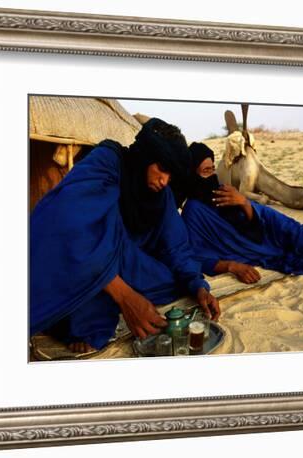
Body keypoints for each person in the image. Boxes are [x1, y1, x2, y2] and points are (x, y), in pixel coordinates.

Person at [30, 120, 220, 353]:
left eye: (171, 175)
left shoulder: (161, 195)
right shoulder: (107, 162)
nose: (164, 180)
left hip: (126, 262)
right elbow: (65, 224)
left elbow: (177, 246)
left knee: (173, 280)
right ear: (145, 156)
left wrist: (198, 286)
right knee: (83, 306)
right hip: (85, 258)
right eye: (161, 168)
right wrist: (125, 296)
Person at [180, 142, 303, 283]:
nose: (213, 175)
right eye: (206, 171)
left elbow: (255, 221)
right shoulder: (193, 211)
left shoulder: (222, 192)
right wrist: (232, 266)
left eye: (213, 169)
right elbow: (195, 256)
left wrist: (243, 202)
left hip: (268, 227)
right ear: (193, 175)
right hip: (256, 248)